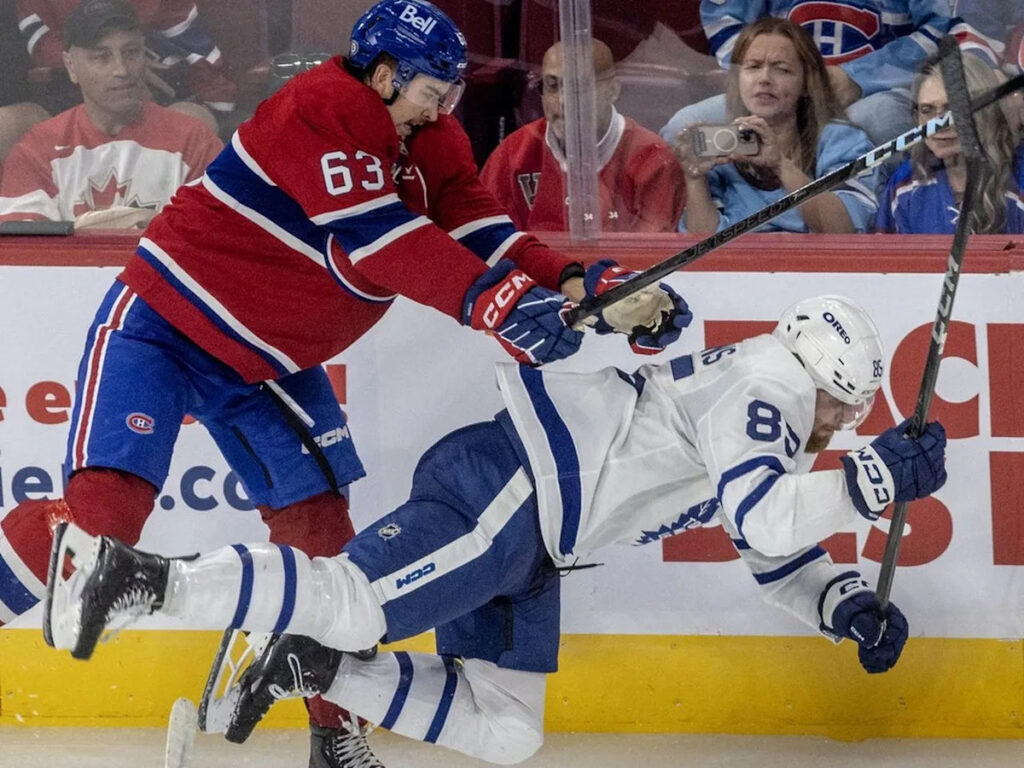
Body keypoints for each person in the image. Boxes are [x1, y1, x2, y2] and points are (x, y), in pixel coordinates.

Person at [0, 1, 690, 766]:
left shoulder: (432, 136)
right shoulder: (321, 106)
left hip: (270, 366)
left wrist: (579, 279)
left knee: (328, 547)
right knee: (100, 522)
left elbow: (485, 233)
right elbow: (381, 240)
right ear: (385, 74)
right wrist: (497, 306)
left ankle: (335, 735)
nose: (446, 107)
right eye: (434, 89)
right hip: (166, 326)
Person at [45, 295, 948, 766]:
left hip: (542, 537)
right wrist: (871, 481)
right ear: (824, 379)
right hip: (515, 486)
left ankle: (311, 667)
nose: (840, 425)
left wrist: (843, 604)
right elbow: (769, 513)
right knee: (356, 603)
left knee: (509, 730)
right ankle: (147, 579)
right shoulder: (774, 386)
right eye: (847, 408)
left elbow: (773, 546)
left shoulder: (766, 396)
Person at [0, 0, 222, 228]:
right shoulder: (38, 150)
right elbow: (22, 248)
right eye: (101, 56)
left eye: (131, 52)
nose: (121, 70)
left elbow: (219, 237)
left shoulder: (194, 141)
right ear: (71, 66)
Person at [673, 17, 881, 235]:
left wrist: (781, 165)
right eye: (753, 67)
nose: (764, 78)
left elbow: (843, 231)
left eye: (781, 69)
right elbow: (699, 251)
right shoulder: (720, 148)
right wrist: (695, 178)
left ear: (806, 84)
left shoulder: (843, 142)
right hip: (738, 267)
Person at [661, 0, 955, 150]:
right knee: (685, 132)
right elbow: (724, 17)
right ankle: (726, 228)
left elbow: (943, 32)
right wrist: (764, 75)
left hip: (869, 94)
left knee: (877, 123)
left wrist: (858, 78)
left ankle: (864, 234)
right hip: (778, 88)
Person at [479, 39, 686, 233]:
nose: (562, 100)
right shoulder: (513, 154)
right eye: (551, 86)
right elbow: (489, 242)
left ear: (612, 91)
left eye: (577, 88)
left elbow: (651, 258)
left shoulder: (651, 158)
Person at [876, 52, 1024, 234]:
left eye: (953, 110)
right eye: (927, 110)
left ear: (987, 111)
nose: (939, 125)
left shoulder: (1020, 180)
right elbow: (887, 260)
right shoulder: (905, 183)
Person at [14, 0, 236, 120]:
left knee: (191, 120)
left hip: (158, 87)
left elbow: (192, 45)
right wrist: (107, 63)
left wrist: (216, 104)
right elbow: (41, 42)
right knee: (6, 126)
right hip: (71, 91)